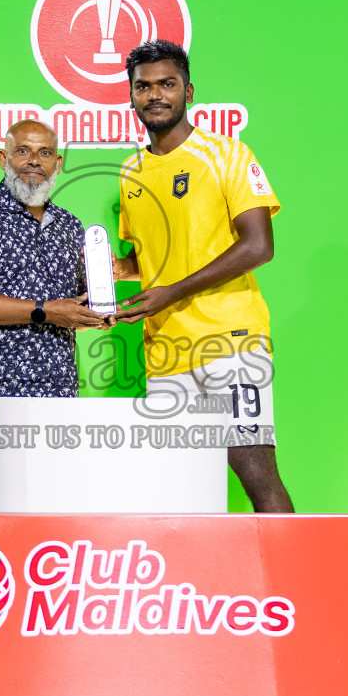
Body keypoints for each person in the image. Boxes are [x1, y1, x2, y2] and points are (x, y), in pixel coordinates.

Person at [112, 40, 295, 513]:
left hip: (230, 340)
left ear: (188, 91)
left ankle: (296, 582)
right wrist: (116, 272)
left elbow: (258, 245)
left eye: (166, 84)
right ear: (131, 97)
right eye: (143, 86)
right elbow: (151, 260)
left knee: (256, 471)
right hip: (166, 352)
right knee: (177, 489)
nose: (155, 94)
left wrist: (172, 291)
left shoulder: (228, 155)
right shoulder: (131, 172)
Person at [0, 119, 108, 510]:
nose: (34, 161)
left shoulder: (70, 227)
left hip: (56, 403)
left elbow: (85, 302)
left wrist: (106, 312)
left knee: (51, 537)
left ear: (58, 163)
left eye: (45, 152)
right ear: (3, 158)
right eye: (23, 151)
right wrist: (46, 312)